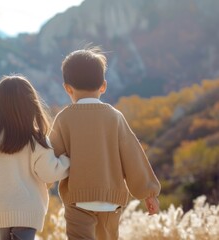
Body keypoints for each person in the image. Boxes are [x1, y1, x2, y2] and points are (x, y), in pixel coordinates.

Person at [49, 47, 161, 240]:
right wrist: (148, 193)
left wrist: (41, 183)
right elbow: (133, 156)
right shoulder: (114, 117)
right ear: (103, 86)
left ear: (68, 88)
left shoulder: (64, 119)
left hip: (78, 201)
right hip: (110, 201)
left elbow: (51, 160)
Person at [0, 75, 70, 240]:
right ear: (31, 105)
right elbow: (49, 173)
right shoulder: (36, 140)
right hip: (27, 214)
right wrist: (67, 160)